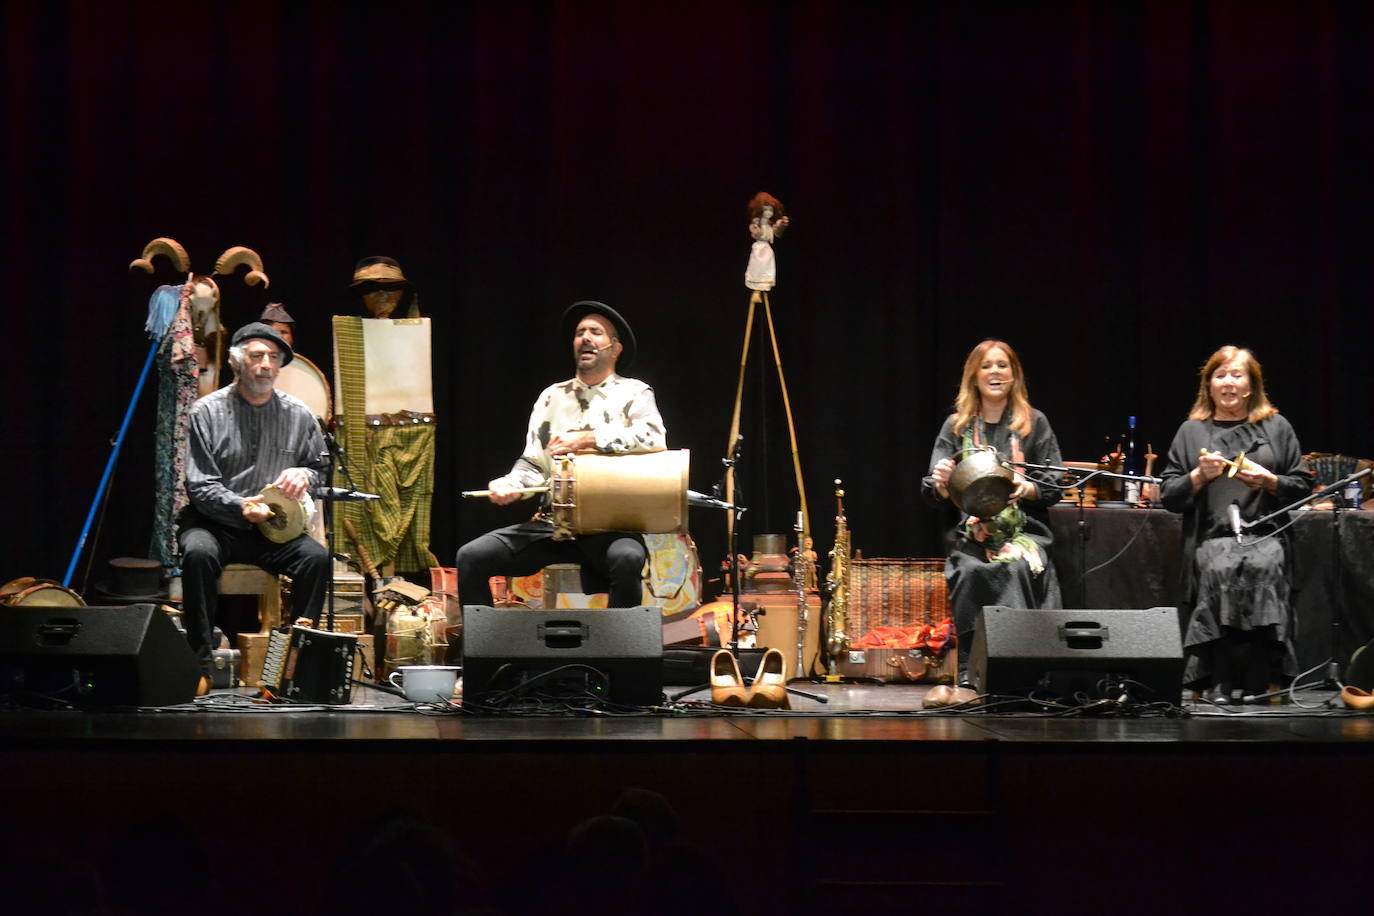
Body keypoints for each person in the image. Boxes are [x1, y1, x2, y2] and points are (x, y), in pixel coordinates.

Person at [456, 301, 666, 610]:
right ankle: (483, 653)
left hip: (608, 527)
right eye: (580, 332)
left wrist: (589, 439)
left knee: (628, 558)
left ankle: (618, 655)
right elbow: (533, 463)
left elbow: (654, 438)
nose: (585, 337)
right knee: (470, 557)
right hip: (552, 524)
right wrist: (511, 483)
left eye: (596, 332)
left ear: (615, 348)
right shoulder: (551, 397)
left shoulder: (634, 393)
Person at [177, 322, 330, 687]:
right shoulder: (206, 411)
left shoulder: (299, 415)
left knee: (316, 559)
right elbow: (200, 484)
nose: (265, 364)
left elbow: (321, 469)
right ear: (237, 362)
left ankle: (295, 665)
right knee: (198, 553)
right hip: (216, 523)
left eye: (273, 358)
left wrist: (305, 476)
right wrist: (240, 506)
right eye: (256, 355)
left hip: (273, 530)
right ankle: (198, 665)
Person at [1160, 345, 1312, 705]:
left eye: (1237, 374)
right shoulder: (1191, 431)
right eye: (1221, 375)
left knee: (1262, 562)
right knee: (1221, 563)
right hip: (1212, 538)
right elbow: (1169, 494)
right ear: (1209, 384)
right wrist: (1198, 476)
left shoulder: (1276, 427)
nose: (1228, 382)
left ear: (1251, 385)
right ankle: (1220, 681)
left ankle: (1260, 681)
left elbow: (1303, 486)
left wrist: (1269, 480)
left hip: (1266, 535)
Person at [922, 339, 1063, 684]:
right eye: (987, 366)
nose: (995, 372)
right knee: (970, 571)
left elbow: (1055, 483)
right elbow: (931, 489)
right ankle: (974, 669)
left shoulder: (1034, 423)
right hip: (972, 536)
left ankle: (1018, 667)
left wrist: (1027, 487)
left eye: (1003, 366)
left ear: (1014, 376)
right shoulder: (957, 427)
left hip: (1024, 533)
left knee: (1012, 568)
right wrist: (941, 483)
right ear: (974, 375)